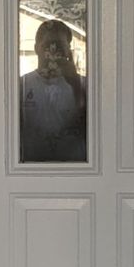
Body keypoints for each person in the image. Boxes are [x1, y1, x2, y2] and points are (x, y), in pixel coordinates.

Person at [19, 17, 87, 162]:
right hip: (29, 171)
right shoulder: (21, 86)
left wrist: (74, 82)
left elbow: (95, 129)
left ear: (69, 51)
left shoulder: (86, 85)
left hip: (76, 171)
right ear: (36, 48)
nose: (53, 51)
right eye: (48, 45)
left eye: (60, 46)